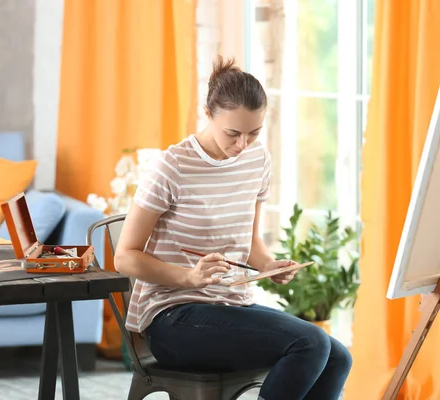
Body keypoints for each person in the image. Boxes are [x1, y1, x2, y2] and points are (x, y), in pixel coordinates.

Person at [115, 55, 352, 400]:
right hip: (173, 318)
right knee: (310, 343)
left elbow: (250, 240)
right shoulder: (172, 166)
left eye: (253, 133)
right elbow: (125, 257)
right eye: (233, 133)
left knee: (338, 357)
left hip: (228, 307)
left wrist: (268, 265)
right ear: (208, 115)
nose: (242, 145)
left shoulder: (258, 161)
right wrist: (189, 278)